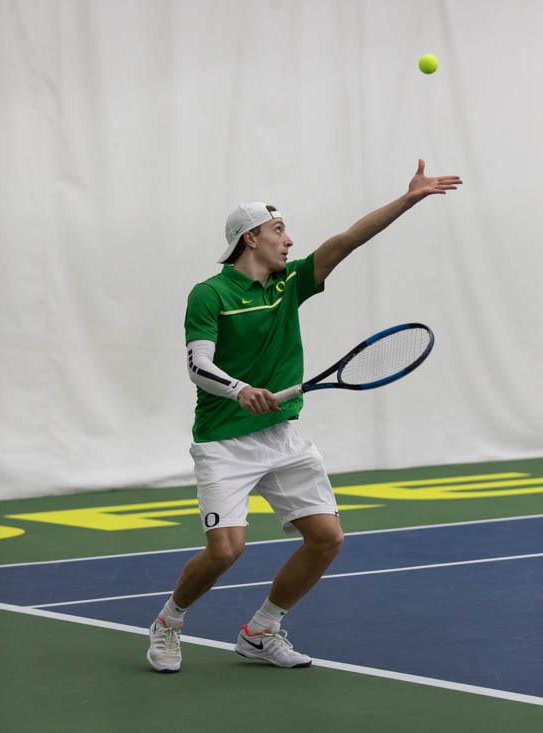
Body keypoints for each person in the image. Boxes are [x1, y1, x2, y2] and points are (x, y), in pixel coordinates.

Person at [147, 160, 462, 672]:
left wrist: (409, 199)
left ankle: (261, 630)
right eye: (278, 230)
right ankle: (169, 623)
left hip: (282, 437)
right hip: (224, 441)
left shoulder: (289, 284)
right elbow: (197, 364)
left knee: (327, 538)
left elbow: (349, 240)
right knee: (226, 551)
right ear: (250, 238)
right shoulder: (210, 294)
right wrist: (240, 389)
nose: (289, 240)